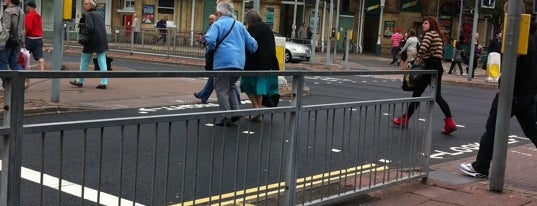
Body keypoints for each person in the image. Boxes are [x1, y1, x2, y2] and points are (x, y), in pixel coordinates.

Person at [460, 1, 537, 178]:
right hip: (528, 92)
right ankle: (481, 166)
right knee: (533, 130)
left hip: (513, 91)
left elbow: (511, 64)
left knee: (493, 127)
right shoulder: (533, 33)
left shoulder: (516, 33)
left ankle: (481, 167)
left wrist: (503, 85)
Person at [392, 16, 457, 135]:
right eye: (423, 23)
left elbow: (422, 49)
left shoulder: (429, 34)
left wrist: (418, 60)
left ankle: (405, 119)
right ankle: (450, 122)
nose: (423, 25)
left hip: (429, 67)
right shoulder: (437, 35)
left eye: (425, 23)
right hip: (438, 67)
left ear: (431, 24)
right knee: (437, 96)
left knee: (417, 93)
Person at [204, 1, 257, 127]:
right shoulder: (239, 25)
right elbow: (253, 45)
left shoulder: (217, 24)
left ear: (219, 13)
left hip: (223, 62)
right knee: (231, 86)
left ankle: (226, 116)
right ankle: (236, 112)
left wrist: (211, 49)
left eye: (216, 13)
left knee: (221, 89)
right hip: (239, 63)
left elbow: (210, 40)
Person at [241, 9, 279, 123]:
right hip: (268, 63)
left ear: (250, 20)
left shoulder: (253, 28)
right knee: (260, 88)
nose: (247, 24)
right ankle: (257, 112)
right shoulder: (268, 28)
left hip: (254, 62)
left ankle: (256, 108)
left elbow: (249, 45)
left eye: (247, 22)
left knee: (245, 84)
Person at [194, 13, 241, 105]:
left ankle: (229, 111)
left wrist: (210, 50)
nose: (210, 20)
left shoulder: (217, 26)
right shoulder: (211, 27)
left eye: (212, 19)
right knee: (221, 81)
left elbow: (211, 41)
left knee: (225, 85)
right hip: (227, 60)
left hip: (220, 60)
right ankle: (204, 95)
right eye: (209, 19)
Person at [69, 0, 109, 89]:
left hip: (91, 41)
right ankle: (104, 82)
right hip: (101, 40)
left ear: (91, 5)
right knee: (102, 61)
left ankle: (80, 81)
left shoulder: (89, 15)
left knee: (84, 60)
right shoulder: (99, 14)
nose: (84, 6)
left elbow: (90, 28)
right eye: (84, 4)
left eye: (86, 4)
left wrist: (83, 32)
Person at [0, 0, 25, 88]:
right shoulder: (21, 11)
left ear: (10, 1)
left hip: (8, 41)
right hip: (17, 40)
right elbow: (22, 29)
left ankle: (7, 84)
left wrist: (2, 43)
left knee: (2, 62)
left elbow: (6, 29)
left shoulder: (8, 11)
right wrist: (22, 42)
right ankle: (22, 79)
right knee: (13, 62)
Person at [24, 1, 44, 71]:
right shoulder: (38, 16)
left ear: (29, 7)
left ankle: (26, 73)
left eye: (26, 6)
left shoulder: (28, 16)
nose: (26, 8)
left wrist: (24, 35)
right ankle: (42, 71)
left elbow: (28, 28)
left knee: (25, 56)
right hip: (39, 39)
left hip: (30, 39)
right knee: (40, 56)